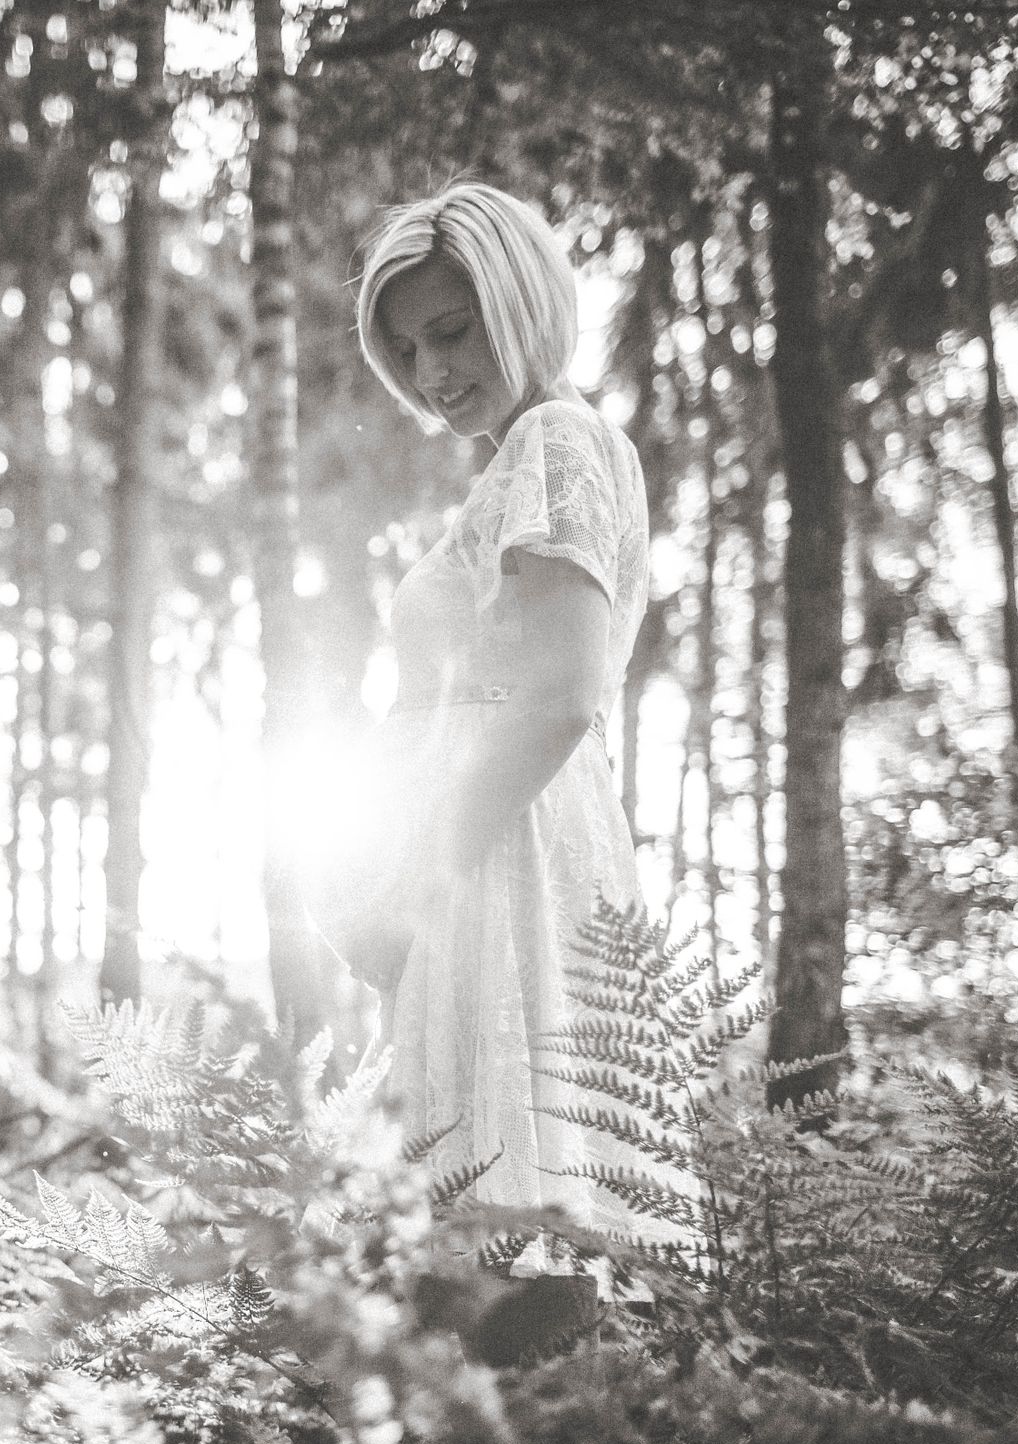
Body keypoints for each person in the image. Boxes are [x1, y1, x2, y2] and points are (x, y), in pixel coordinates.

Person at [315, 179, 665, 1276]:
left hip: (496, 857)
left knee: (496, 1223)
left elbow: (558, 697)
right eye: (406, 348)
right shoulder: (541, 454)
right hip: (491, 847)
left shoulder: (556, 438)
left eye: (453, 331)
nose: (430, 372)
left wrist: (411, 884)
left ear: (519, 302)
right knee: (491, 1219)